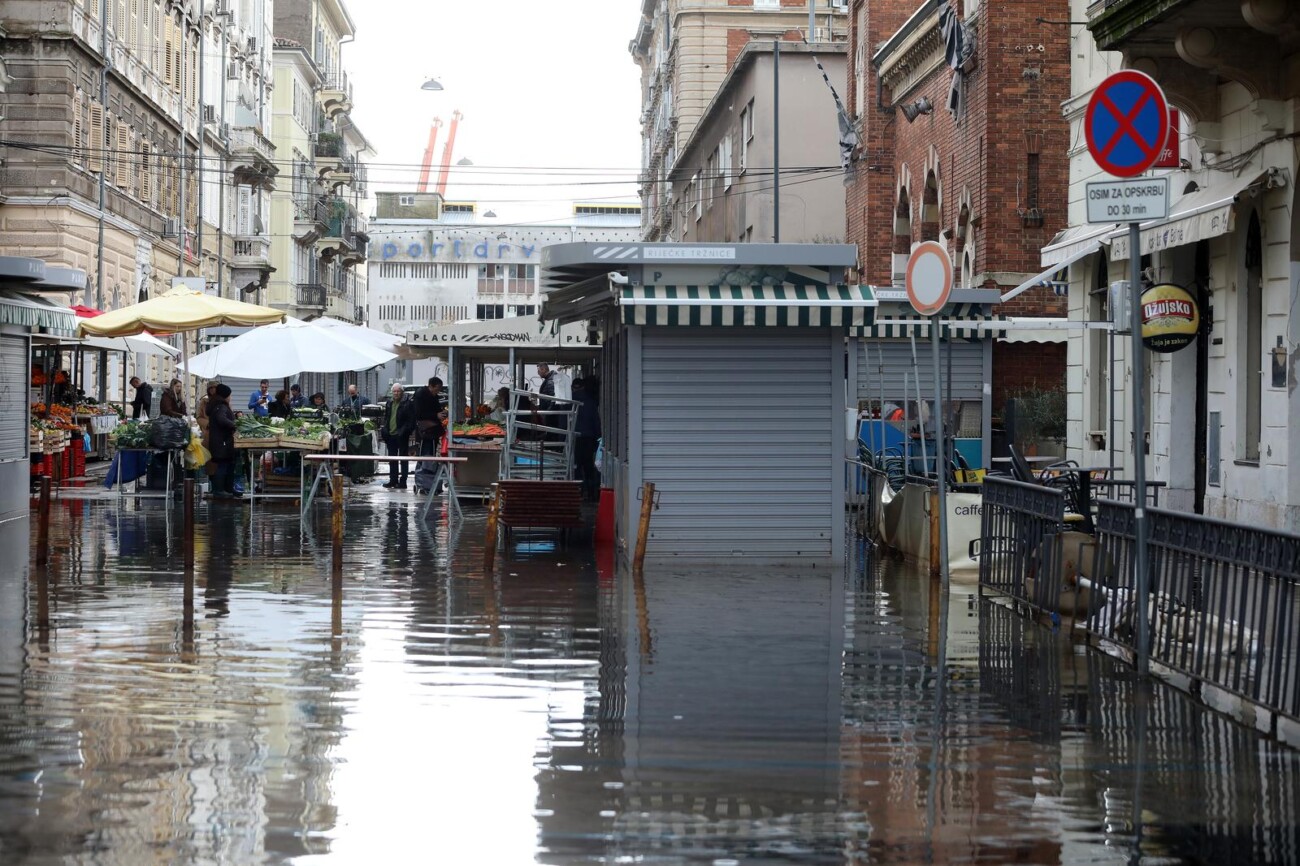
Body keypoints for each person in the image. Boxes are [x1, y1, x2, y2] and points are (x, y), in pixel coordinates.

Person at [412, 377, 447, 494]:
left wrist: (441, 413)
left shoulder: (433, 396)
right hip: (427, 432)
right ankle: (425, 485)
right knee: (426, 457)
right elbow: (419, 413)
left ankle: (427, 483)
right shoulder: (421, 395)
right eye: (437, 388)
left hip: (433, 431)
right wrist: (436, 415)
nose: (438, 391)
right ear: (431, 386)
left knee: (429, 456)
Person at [207, 384, 242, 499]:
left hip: (221, 441)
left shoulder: (217, 405)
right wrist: (235, 425)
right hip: (222, 442)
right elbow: (222, 419)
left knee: (228, 465)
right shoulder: (221, 406)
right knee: (222, 465)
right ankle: (219, 490)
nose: (230, 398)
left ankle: (228, 488)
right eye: (230, 395)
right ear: (226, 395)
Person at [380, 384, 415, 489]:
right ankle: (393, 480)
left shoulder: (407, 403)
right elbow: (386, 417)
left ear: (402, 392)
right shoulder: (389, 403)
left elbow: (411, 420)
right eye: (394, 391)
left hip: (401, 435)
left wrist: (405, 431)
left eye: (398, 391)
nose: (396, 393)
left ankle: (403, 481)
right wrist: (384, 429)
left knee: (403, 459)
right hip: (390, 434)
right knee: (392, 459)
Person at [572, 377, 601, 501]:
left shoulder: (570, 401)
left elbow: (564, 421)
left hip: (575, 438)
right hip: (589, 438)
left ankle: (578, 492)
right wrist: (598, 439)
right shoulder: (591, 401)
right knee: (589, 467)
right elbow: (596, 422)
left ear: (573, 387)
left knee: (576, 466)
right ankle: (591, 493)